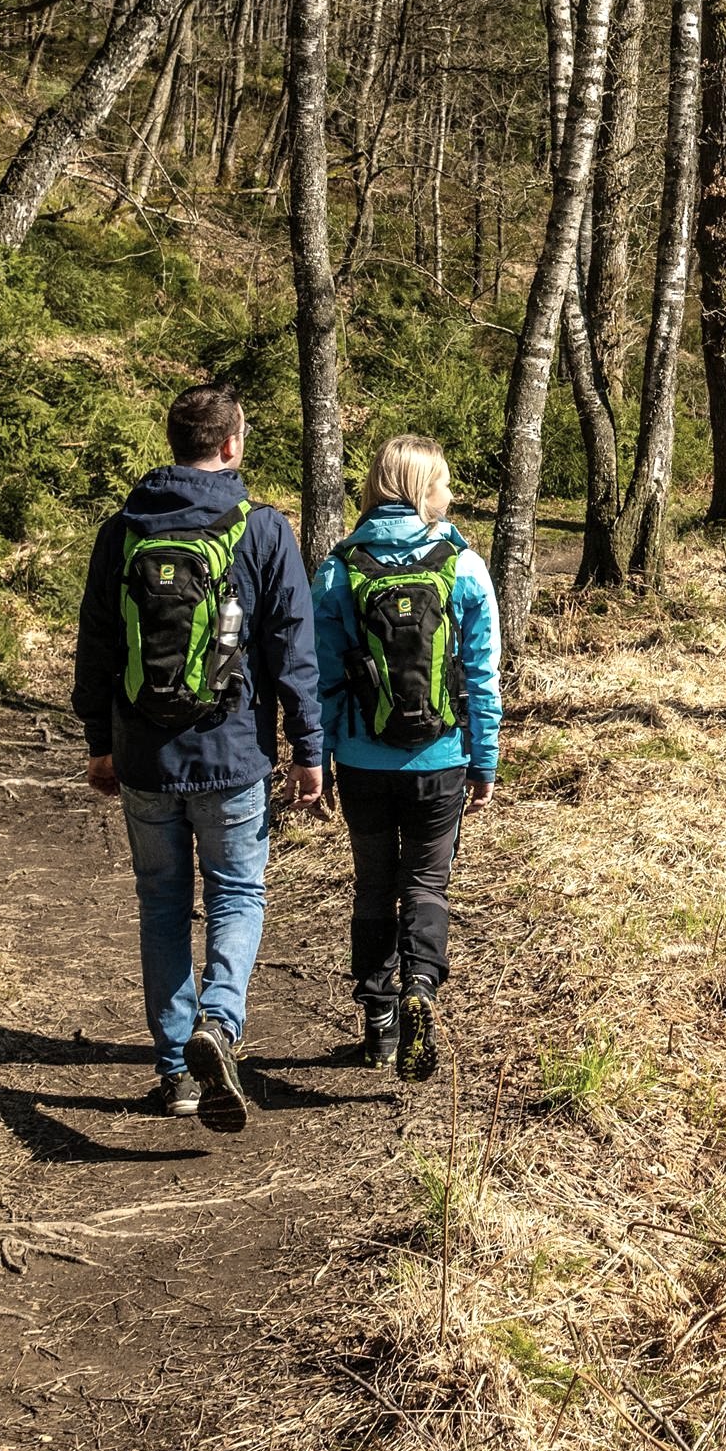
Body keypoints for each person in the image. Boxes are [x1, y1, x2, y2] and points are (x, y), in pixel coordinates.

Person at [73, 384, 322, 1131]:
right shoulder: (262, 529)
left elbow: (97, 642)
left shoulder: (122, 530)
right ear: (232, 444)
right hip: (234, 753)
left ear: (174, 442)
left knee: (161, 904)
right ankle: (220, 1021)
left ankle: (178, 1071)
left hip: (145, 755)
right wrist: (308, 747)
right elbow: (292, 649)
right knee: (237, 894)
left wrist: (99, 741)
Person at [312, 432, 500, 1081]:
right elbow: (482, 676)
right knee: (425, 883)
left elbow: (323, 679)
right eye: (443, 481)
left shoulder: (339, 567)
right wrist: (484, 760)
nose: (449, 492)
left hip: (362, 762)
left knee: (373, 885)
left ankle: (379, 1024)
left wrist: (318, 756)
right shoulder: (463, 565)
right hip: (440, 759)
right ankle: (421, 985)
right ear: (421, 488)